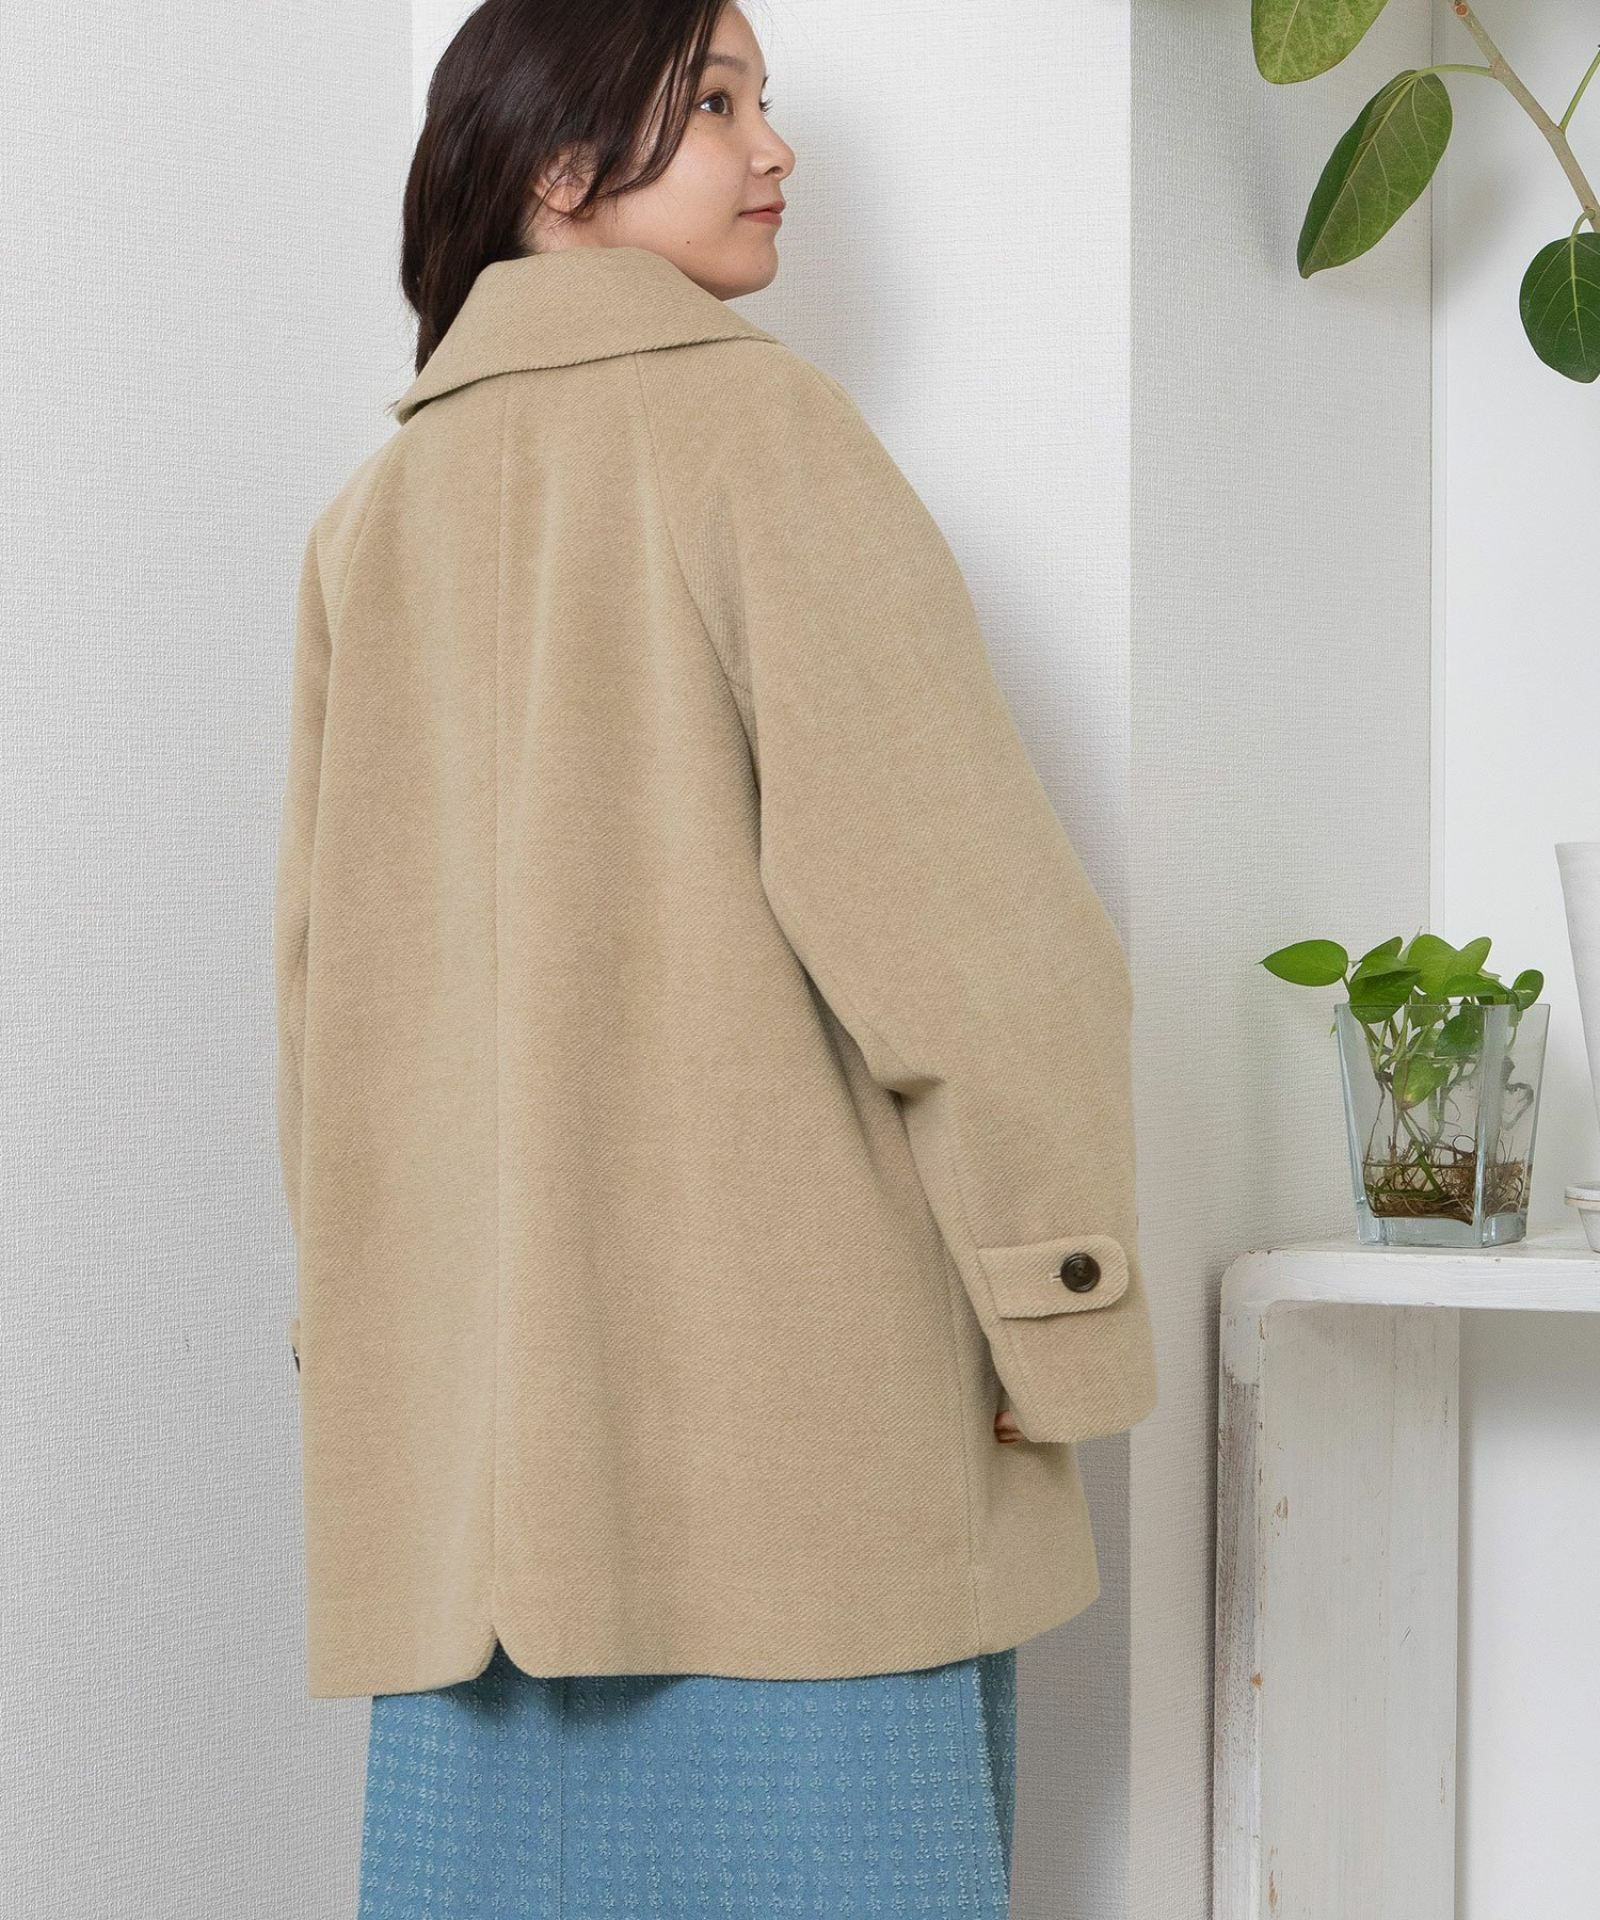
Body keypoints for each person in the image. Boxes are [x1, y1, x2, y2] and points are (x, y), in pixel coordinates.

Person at [273, 0, 1159, 1911]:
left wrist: (380, 1366)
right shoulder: (762, 437)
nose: (774, 149)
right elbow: (976, 938)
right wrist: (1055, 1297)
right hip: (800, 1478)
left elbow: (326, 1022)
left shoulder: (372, 521)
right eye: (713, 104)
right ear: (554, 160)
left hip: (476, 1520)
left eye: (766, 102)